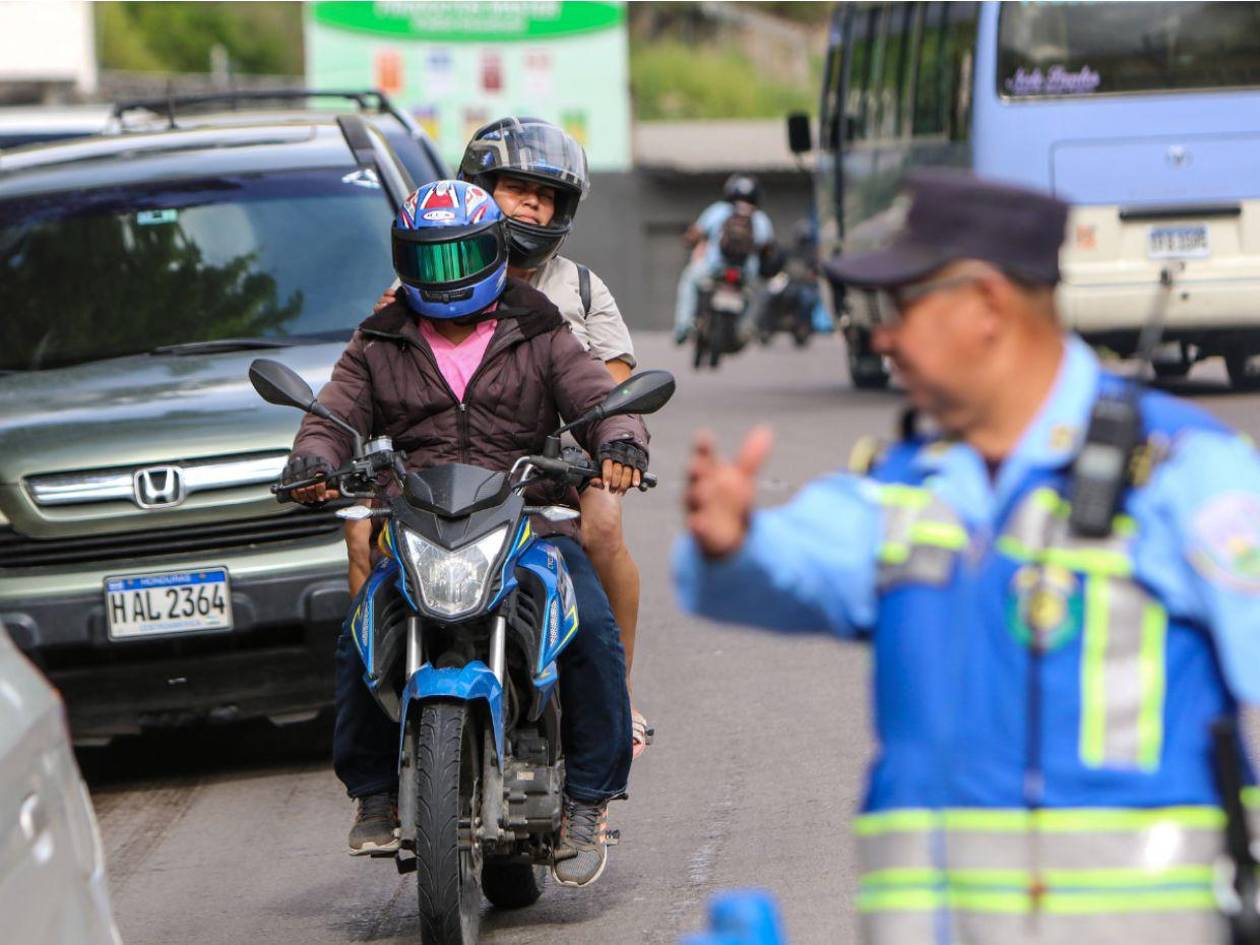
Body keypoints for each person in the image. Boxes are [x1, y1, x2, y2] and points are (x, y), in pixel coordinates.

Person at [673, 169, 1260, 944]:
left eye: (902, 305)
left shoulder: (1186, 470)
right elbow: (785, 564)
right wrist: (735, 539)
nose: (880, 335)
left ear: (985, 305)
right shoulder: (910, 483)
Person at [282, 179, 648, 887]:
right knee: (364, 624)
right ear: (404, 262)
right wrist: (312, 460)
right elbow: (334, 414)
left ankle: (587, 801)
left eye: (463, 258)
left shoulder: (540, 327)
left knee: (592, 626)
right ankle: (375, 792)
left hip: (529, 518)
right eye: (430, 260)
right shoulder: (379, 338)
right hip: (417, 521)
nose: (447, 277)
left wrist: (621, 441)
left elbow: (600, 399)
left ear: (494, 253)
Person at [361, 117, 654, 757]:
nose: (532, 204)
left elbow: (611, 385)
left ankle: (615, 693)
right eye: (517, 188)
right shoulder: (418, 287)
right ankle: (383, 695)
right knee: (362, 531)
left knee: (601, 523)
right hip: (446, 469)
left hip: (560, 457)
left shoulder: (578, 288)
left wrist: (604, 440)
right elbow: (373, 380)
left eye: (546, 196)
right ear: (476, 189)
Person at [673, 173, 775, 345]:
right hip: (746, 274)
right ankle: (747, 329)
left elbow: (695, 234)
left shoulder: (718, 210)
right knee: (758, 295)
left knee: (689, 279)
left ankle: (683, 326)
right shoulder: (761, 219)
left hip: (714, 268)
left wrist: (689, 239)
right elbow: (768, 249)